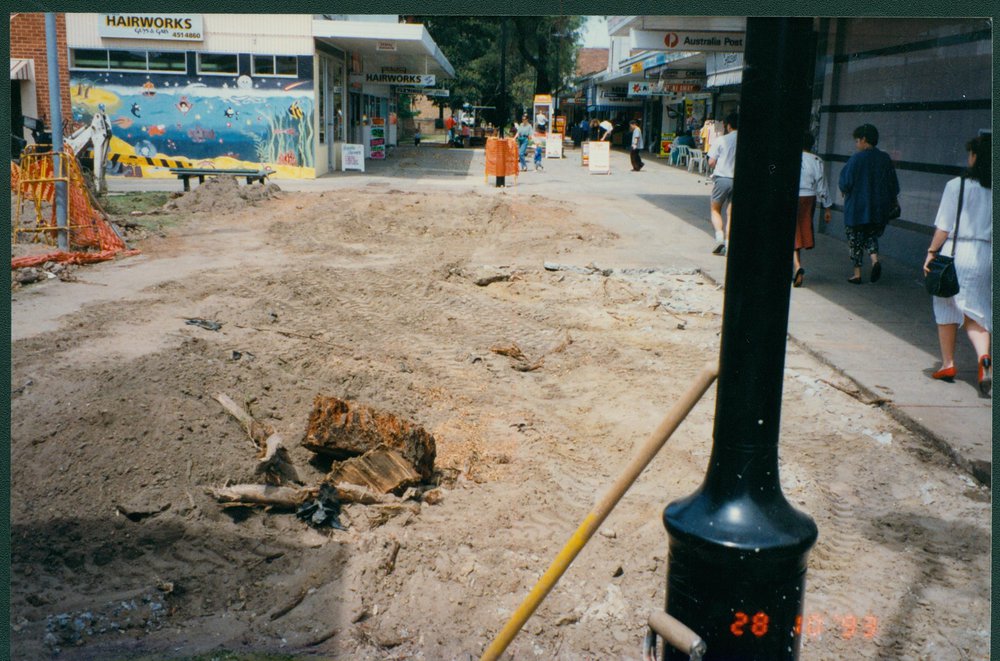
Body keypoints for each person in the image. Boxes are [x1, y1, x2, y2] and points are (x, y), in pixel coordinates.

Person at [923, 134, 992, 394]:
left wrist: (931, 251)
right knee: (977, 311)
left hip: (957, 251)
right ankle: (984, 359)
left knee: (945, 305)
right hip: (985, 253)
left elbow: (944, 226)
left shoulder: (956, 185)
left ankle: (948, 363)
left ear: (974, 157)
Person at [837, 123, 900, 284]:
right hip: (877, 210)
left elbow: (845, 182)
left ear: (864, 140)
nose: (856, 144)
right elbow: (894, 185)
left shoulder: (856, 158)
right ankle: (874, 260)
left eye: (857, 141)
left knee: (855, 240)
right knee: (870, 236)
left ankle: (857, 274)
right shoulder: (885, 158)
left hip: (856, 209)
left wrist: (845, 189)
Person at [793, 131, 833, 287]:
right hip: (809, 199)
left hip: (793, 196)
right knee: (800, 231)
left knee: (792, 232)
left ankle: (797, 266)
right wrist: (827, 208)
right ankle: (797, 266)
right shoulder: (817, 160)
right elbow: (822, 186)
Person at [707, 112, 739, 256]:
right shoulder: (748, 141)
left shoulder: (721, 140)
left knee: (715, 209)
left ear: (728, 125)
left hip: (722, 178)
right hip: (738, 180)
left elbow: (711, 162)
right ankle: (728, 244)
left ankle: (719, 237)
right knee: (731, 214)